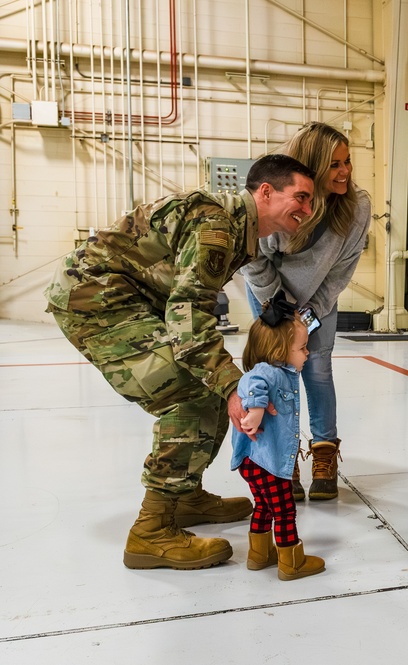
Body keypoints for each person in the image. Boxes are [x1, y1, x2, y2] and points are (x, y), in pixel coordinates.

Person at [45, 154, 316, 571]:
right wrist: (230, 383)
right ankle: (151, 531)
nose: (307, 209)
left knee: (212, 386)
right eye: (300, 196)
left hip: (125, 298)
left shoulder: (236, 229)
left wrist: (225, 382)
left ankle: (184, 497)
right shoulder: (218, 227)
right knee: (190, 395)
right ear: (266, 192)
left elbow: (188, 306)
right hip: (96, 300)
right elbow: (188, 317)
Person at [241, 122, 372, 502]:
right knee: (277, 374)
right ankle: (283, 461)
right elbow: (253, 256)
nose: (344, 171)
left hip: (320, 297)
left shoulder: (356, 206)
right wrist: (276, 302)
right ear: (313, 166)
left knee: (317, 370)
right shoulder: (285, 194)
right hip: (270, 295)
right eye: (334, 164)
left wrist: (312, 309)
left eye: (347, 162)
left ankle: (324, 456)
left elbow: (344, 264)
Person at [231, 292, 325, 581]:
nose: (306, 354)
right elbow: (251, 382)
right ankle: (290, 560)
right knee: (285, 511)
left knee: (264, 506)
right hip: (266, 461)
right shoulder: (267, 372)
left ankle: (259, 554)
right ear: (278, 349)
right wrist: (257, 409)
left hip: (257, 462)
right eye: (302, 348)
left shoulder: (283, 373)